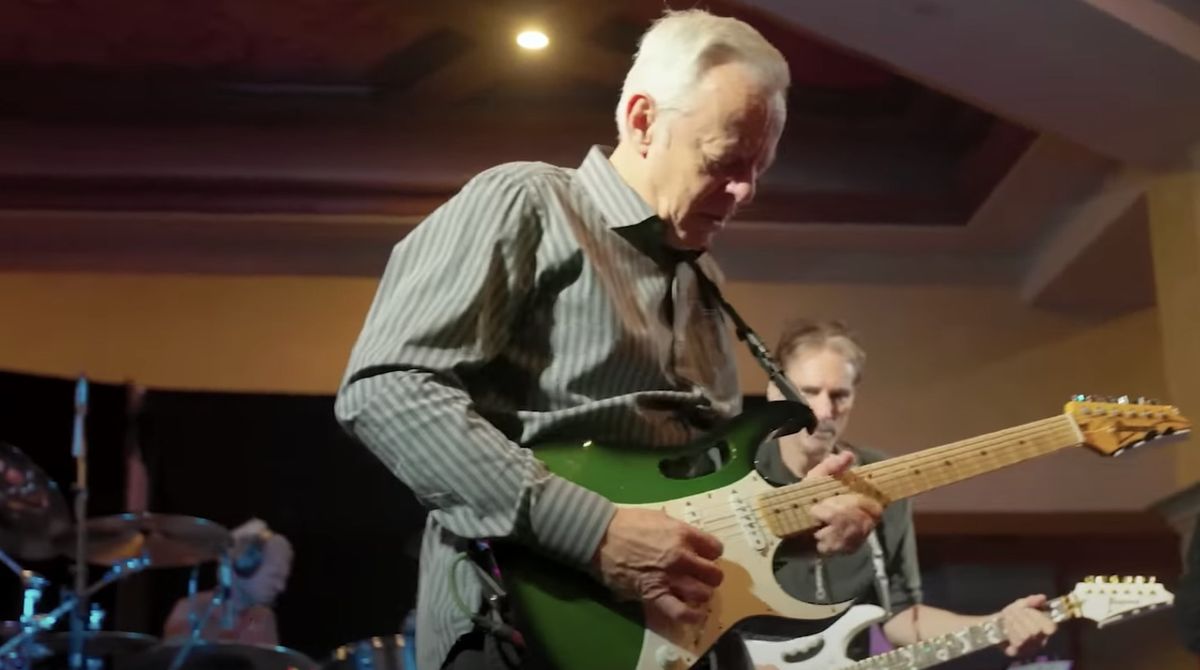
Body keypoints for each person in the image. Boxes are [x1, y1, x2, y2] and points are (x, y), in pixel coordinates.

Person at [335, 9, 882, 669]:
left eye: (758, 168)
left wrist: (798, 525)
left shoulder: (704, 280)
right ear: (643, 119)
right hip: (519, 634)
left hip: (678, 645)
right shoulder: (529, 202)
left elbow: (690, 503)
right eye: (724, 160)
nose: (744, 191)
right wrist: (593, 531)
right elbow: (387, 388)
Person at [740, 319, 1056, 661]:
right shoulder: (737, 475)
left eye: (839, 395)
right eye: (808, 392)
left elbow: (902, 616)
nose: (824, 411)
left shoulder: (882, 478)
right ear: (775, 392)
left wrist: (996, 624)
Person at [162, 518, 293, 645]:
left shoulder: (264, 618)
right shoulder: (189, 610)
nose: (280, 587)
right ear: (244, 565)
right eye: (274, 576)